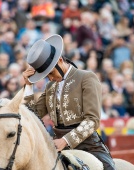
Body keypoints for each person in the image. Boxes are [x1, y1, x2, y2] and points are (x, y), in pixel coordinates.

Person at [22, 34, 115, 170]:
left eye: (51, 73)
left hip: (87, 144)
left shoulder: (86, 78)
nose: (50, 78)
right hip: (55, 143)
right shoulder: (50, 87)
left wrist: (65, 141)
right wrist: (28, 85)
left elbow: (92, 120)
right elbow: (31, 117)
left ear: (60, 61)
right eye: (46, 76)